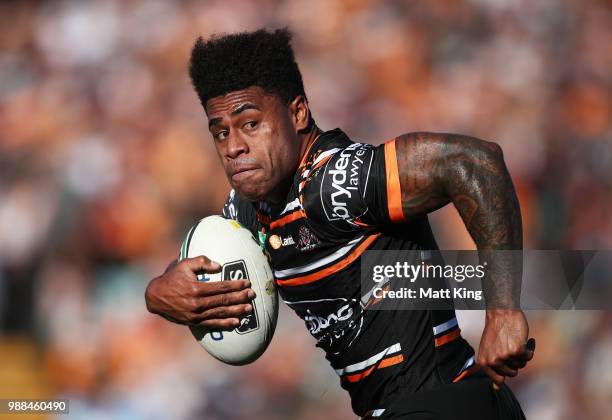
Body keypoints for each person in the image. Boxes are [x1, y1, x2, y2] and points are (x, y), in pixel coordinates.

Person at [145, 28, 535, 419]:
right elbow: (198, 266)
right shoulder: (251, 211)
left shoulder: (335, 183)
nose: (234, 147)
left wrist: (503, 311)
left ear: (297, 113)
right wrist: (160, 292)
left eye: (250, 124)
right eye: (220, 132)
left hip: (442, 402)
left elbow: (473, 161)